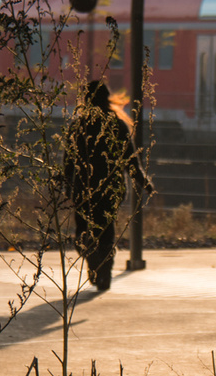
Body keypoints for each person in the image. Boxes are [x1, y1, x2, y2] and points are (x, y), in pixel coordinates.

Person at [64, 79, 153, 291]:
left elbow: (68, 161)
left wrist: (68, 186)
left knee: (84, 233)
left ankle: (95, 265)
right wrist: (144, 182)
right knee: (106, 233)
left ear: (86, 100)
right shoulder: (118, 125)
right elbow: (131, 160)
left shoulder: (78, 125)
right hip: (110, 189)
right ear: (107, 99)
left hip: (83, 189)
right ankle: (104, 272)